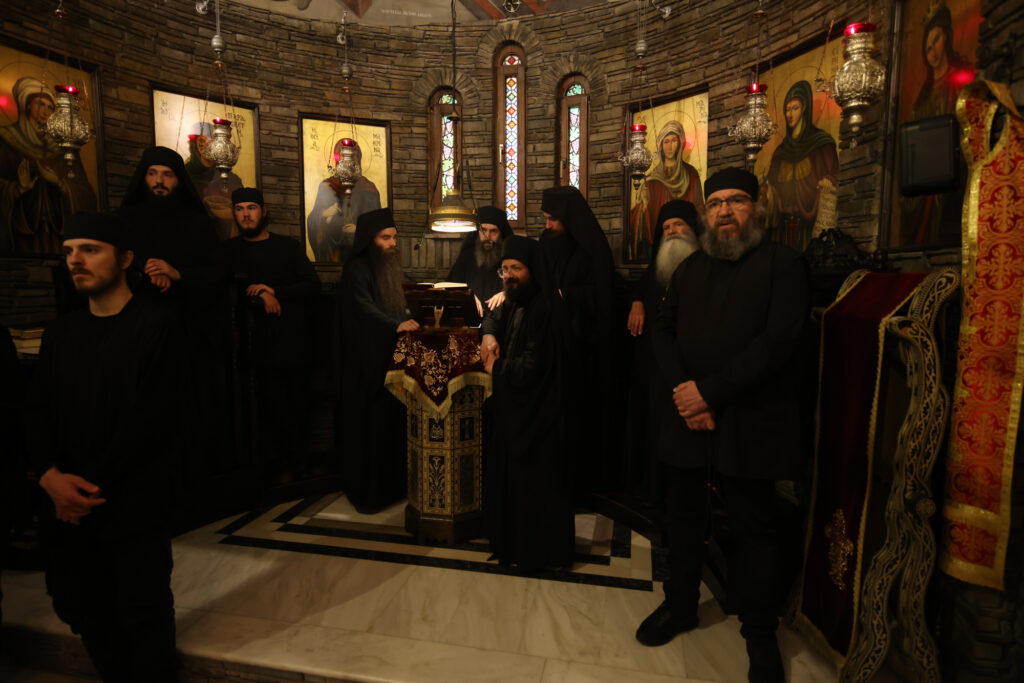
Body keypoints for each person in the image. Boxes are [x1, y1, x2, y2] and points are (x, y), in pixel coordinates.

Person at [639, 168, 810, 683]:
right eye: (715, 204)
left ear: (756, 208)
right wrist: (685, 392)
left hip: (750, 419)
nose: (724, 211)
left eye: (736, 201)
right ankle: (681, 605)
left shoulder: (784, 264)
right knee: (683, 520)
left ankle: (759, 635)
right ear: (706, 214)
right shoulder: (690, 269)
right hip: (690, 418)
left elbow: (778, 344)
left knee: (754, 529)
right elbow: (663, 332)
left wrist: (708, 393)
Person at [27, 211, 181, 681]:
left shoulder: (157, 326)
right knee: (85, 611)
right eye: (69, 251)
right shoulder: (61, 333)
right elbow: (38, 412)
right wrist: (49, 477)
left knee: (142, 616)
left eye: (90, 250)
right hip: (66, 505)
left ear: (125, 259)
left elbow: (150, 422)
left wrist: (84, 492)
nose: (75, 260)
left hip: (130, 504)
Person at [481, 235, 573, 572]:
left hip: (539, 414)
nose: (509, 276)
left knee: (535, 487)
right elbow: (497, 322)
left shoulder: (544, 307)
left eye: (516, 268)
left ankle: (536, 554)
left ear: (533, 269)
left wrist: (497, 367)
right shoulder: (519, 301)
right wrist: (491, 338)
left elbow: (534, 366)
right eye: (504, 269)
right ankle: (516, 546)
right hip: (521, 408)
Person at [223, 188, 320, 484]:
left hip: (293, 341)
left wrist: (274, 290)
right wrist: (259, 296)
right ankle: (273, 465)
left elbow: (312, 285)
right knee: (267, 407)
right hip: (254, 345)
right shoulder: (228, 250)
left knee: (298, 404)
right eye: (240, 209)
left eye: (251, 208)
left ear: (263, 212)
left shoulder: (287, 247)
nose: (246, 214)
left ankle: (301, 463)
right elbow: (226, 288)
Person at [337, 207, 419, 513]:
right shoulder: (356, 270)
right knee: (369, 431)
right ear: (370, 240)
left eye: (394, 237)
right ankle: (370, 494)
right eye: (386, 238)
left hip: (388, 361)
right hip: (365, 366)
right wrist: (394, 326)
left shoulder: (388, 268)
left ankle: (393, 489)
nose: (392, 244)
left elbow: (404, 298)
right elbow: (363, 308)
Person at [538, 185, 618, 494]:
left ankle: (582, 484)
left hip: (583, 349)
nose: (547, 225)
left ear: (569, 218)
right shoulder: (547, 242)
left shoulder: (591, 247)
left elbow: (604, 296)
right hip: (550, 344)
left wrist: (566, 295)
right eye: (546, 218)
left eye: (553, 219)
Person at [624, 199, 702, 506]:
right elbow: (643, 287)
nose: (671, 231)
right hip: (653, 367)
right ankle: (652, 489)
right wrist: (637, 301)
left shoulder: (705, 264)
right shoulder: (660, 263)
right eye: (667, 227)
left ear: (692, 229)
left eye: (678, 224)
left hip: (690, 369)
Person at [898, 1, 974, 246]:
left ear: (948, 37)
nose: (932, 51)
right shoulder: (924, 94)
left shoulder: (961, 81)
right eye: (927, 46)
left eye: (937, 40)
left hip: (954, 173)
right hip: (924, 177)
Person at [0, 76, 97, 256]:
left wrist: (60, 183)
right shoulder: (6, 139)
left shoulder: (63, 145)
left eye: (50, 108)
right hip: (22, 232)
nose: (46, 111)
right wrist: (19, 189)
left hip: (57, 233)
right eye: (40, 104)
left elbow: (86, 191)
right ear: (27, 105)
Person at [764, 80, 839, 251]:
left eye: (795, 108)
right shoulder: (780, 152)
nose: (789, 114)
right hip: (783, 228)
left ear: (805, 108)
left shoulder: (821, 143)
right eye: (787, 109)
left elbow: (835, 175)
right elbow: (772, 185)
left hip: (811, 227)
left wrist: (828, 181)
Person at [628, 121, 704, 262]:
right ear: (661, 146)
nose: (669, 146)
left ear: (680, 143)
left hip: (687, 242)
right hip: (662, 243)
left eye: (674, 140)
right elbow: (641, 216)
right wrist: (643, 207)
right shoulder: (651, 180)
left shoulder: (690, 174)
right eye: (666, 142)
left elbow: (699, 205)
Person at [306, 138, 381, 263]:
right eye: (343, 158)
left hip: (360, 257)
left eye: (352, 158)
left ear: (358, 160)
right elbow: (311, 221)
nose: (347, 163)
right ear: (337, 160)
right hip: (332, 253)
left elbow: (378, 224)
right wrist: (323, 214)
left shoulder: (368, 188)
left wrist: (359, 229)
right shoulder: (327, 186)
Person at [447, 205, 514, 316]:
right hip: (470, 318)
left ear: (501, 233)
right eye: (483, 230)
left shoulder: (510, 258)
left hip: (502, 320)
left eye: (493, 231)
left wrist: (507, 294)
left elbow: (525, 289)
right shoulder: (467, 257)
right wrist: (466, 296)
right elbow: (450, 288)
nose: (487, 236)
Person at [184, 121, 244, 241]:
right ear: (195, 145)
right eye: (200, 142)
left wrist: (232, 213)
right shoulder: (183, 176)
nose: (203, 146)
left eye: (213, 140)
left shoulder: (232, 179)